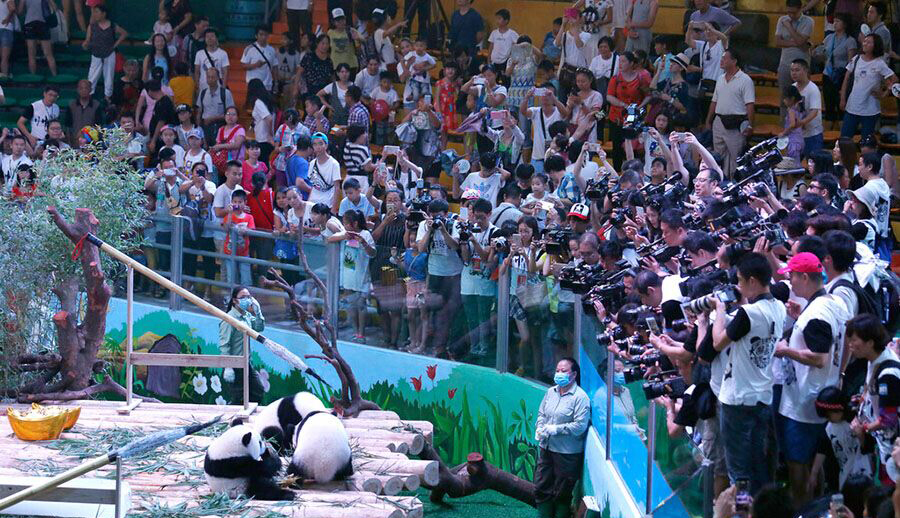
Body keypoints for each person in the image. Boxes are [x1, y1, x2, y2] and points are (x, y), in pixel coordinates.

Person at [711, 252, 786, 493]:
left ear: (753, 281)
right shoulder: (780, 307)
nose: (738, 287)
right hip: (763, 395)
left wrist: (719, 311)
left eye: (740, 281)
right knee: (759, 465)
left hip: (738, 398)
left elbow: (717, 343)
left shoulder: (748, 313)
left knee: (739, 472)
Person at [775, 252, 846, 505]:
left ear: (804, 277)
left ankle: (803, 510)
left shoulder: (817, 313)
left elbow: (819, 357)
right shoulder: (832, 302)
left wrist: (785, 350)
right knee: (813, 465)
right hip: (818, 393)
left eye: (792, 277)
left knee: (799, 464)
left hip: (804, 404)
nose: (790, 283)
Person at [847, 314, 900, 486]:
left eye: (854, 340)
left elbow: (888, 419)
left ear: (870, 342)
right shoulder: (875, 359)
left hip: (892, 449)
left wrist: (863, 428)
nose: (850, 344)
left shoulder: (888, 374)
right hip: (883, 445)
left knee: (890, 494)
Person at [534, 357, 590, 518]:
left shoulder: (580, 397)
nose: (559, 374)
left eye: (564, 371)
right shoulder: (550, 392)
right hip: (546, 447)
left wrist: (555, 429)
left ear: (574, 375)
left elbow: (580, 426)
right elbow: (541, 413)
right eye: (558, 370)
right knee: (541, 486)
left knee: (562, 492)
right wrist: (540, 427)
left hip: (567, 453)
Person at [417, 198, 463, 358]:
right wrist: (430, 230)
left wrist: (443, 230)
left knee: (451, 313)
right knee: (433, 312)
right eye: (434, 216)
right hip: (435, 273)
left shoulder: (453, 225)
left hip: (454, 274)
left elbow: (455, 245)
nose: (437, 219)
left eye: (440, 216)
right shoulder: (424, 226)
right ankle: (435, 346)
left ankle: (447, 347)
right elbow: (420, 248)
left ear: (446, 214)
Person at [705, 48, 754, 178]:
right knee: (718, 156)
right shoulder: (720, 78)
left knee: (735, 157)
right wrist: (708, 120)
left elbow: (749, 104)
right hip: (719, 121)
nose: (721, 61)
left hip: (736, 123)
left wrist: (750, 125)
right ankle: (720, 183)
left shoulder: (745, 80)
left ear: (734, 61)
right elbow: (714, 101)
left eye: (724, 58)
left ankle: (734, 184)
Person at [839, 33, 897, 139]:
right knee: (845, 139)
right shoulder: (856, 59)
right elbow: (846, 79)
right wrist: (842, 98)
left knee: (867, 142)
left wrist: (885, 93)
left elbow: (894, 79)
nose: (865, 43)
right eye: (864, 41)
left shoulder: (880, 63)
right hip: (852, 106)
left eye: (869, 42)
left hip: (870, 109)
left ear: (875, 45)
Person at [220, 286, 265, 402]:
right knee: (238, 398)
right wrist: (227, 366)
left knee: (258, 391)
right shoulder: (229, 319)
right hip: (234, 365)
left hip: (246, 363)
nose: (247, 299)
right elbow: (225, 345)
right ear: (235, 300)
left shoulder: (247, 316)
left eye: (249, 297)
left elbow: (259, 328)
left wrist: (258, 312)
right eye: (243, 297)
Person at [775, 0, 813, 120]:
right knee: (784, 98)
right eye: (788, 12)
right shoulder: (782, 19)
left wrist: (789, 27)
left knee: (802, 97)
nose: (790, 15)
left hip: (802, 66)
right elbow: (777, 42)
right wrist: (797, 42)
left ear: (800, 9)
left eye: (794, 12)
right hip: (785, 64)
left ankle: (802, 126)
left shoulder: (808, 21)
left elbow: (801, 41)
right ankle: (785, 127)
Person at [83, 4, 127, 100]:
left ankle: (108, 98)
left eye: (97, 12)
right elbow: (87, 40)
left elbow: (124, 33)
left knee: (109, 76)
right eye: (94, 12)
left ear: (104, 14)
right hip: (96, 54)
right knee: (92, 77)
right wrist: (85, 44)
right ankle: (89, 96)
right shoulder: (92, 26)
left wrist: (114, 45)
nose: (94, 14)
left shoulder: (112, 25)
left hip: (109, 54)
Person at [819, 13, 856, 124]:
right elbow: (823, 55)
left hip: (841, 75)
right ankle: (828, 131)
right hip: (828, 74)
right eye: (834, 21)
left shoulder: (850, 41)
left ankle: (842, 133)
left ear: (844, 24)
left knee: (841, 105)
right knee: (829, 105)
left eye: (838, 21)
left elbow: (851, 62)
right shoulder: (829, 38)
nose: (835, 24)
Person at [521, 85, 568, 173]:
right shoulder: (535, 111)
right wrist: (527, 97)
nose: (546, 97)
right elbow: (523, 112)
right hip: (537, 157)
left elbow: (565, 113)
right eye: (543, 94)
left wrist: (554, 99)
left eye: (549, 94)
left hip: (555, 157)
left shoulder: (558, 111)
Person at [196, 66, 236, 147]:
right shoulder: (203, 93)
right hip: (205, 127)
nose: (210, 79)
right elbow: (199, 112)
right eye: (208, 77)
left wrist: (213, 118)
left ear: (218, 78)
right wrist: (198, 129)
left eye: (213, 77)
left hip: (220, 126)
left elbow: (231, 113)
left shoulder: (225, 93)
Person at [20, 0, 58, 77]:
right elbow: (55, 8)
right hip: (43, 24)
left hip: (29, 24)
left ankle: (33, 78)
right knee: (49, 54)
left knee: (31, 55)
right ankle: (55, 76)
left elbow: (20, 11)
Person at [308, 132, 341, 213]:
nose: (318, 147)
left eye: (320, 144)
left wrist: (334, 208)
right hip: (313, 202)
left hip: (327, 203)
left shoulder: (334, 164)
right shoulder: (312, 163)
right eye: (315, 144)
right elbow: (313, 185)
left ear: (326, 145)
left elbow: (337, 188)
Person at [65, 80, 104, 148]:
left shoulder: (96, 105)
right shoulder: (72, 105)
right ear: (77, 90)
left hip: (91, 143)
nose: (83, 90)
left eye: (86, 88)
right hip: (75, 142)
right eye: (81, 88)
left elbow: (98, 125)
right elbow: (68, 126)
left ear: (91, 90)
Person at [247, 79, 276, 161]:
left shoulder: (258, 103)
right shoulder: (267, 101)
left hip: (263, 139)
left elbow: (269, 118)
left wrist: (270, 135)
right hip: (264, 139)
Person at [242, 24, 277, 92]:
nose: (263, 37)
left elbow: (275, 67)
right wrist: (255, 65)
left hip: (267, 85)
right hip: (253, 84)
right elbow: (243, 66)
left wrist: (276, 82)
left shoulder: (272, 50)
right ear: (256, 36)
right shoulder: (249, 49)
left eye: (266, 35)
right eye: (261, 34)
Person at [299, 35, 335, 99]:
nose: (325, 46)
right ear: (317, 44)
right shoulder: (308, 56)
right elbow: (299, 73)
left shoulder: (329, 61)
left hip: (323, 92)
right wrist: (295, 88)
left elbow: (332, 78)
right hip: (309, 91)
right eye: (323, 43)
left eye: (327, 44)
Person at [327, 8, 358, 74]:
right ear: (333, 22)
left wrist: (358, 39)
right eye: (338, 20)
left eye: (343, 19)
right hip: (336, 66)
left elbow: (359, 47)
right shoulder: (330, 33)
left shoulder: (351, 31)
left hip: (351, 66)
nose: (341, 22)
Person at [488, 9, 519, 73]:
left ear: (506, 21)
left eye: (499, 19)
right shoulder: (494, 33)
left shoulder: (512, 34)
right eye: (497, 19)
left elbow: (516, 48)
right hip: (494, 61)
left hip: (505, 62)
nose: (497, 21)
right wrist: (488, 59)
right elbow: (491, 47)